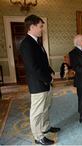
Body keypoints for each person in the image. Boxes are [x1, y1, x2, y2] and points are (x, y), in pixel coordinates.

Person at [19, 14, 60, 145]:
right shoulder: (26, 44)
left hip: (45, 82)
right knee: (37, 112)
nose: (42, 29)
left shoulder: (37, 42)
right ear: (32, 27)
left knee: (46, 107)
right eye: (40, 26)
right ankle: (38, 137)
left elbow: (42, 62)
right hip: (38, 84)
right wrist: (48, 78)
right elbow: (32, 68)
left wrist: (50, 71)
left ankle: (45, 128)